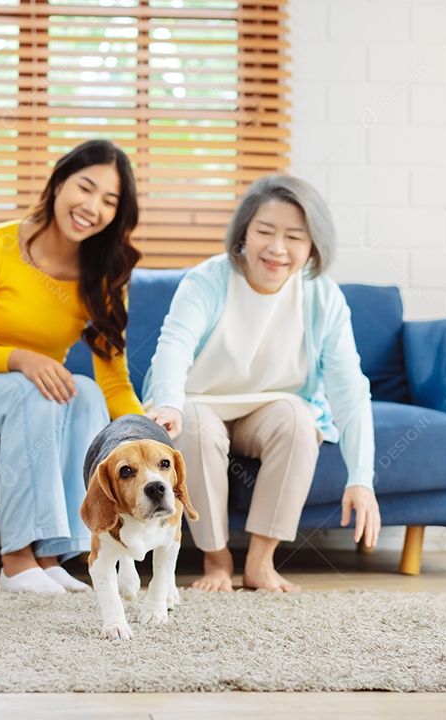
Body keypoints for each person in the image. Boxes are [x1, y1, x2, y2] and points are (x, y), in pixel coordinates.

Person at [0, 139, 144, 594]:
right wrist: (23, 359)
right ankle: (16, 559)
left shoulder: (104, 274)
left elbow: (113, 381)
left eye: (109, 201)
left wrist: (145, 432)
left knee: (84, 392)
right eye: (85, 187)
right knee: (33, 388)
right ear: (59, 181)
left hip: (34, 393)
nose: (92, 207)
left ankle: (53, 555)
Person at [144, 174, 381, 593]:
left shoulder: (323, 297)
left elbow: (349, 387)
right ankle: (217, 561)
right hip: (199, 402)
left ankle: (260, 562)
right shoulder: (207, 280)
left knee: (298, 417)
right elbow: (174, 345)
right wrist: (169, 404)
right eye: (265, 231)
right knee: (195, 424)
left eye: (294, 236)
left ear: (312, 248)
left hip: (269, 409)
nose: (277, 248)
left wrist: (361, 477)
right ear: (243, 235)